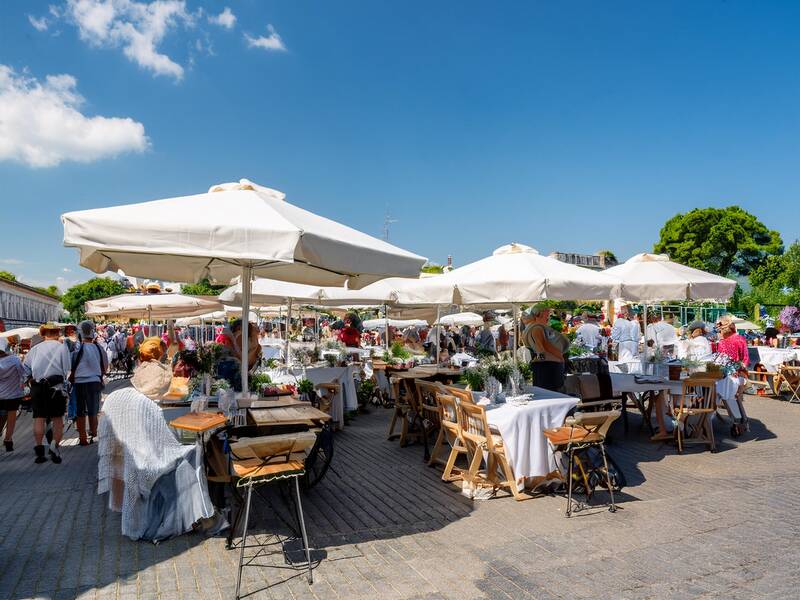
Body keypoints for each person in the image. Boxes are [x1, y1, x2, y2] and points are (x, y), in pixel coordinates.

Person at [23, 323, 71, 464]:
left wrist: (30, 381)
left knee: (39, 418)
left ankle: (39, 452)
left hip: (38, 387)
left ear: (43, 334)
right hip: (55, 387)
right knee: (57, 419)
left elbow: (25, 369)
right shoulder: (62, 348)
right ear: (57, 333)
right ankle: (54, 448)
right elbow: (68, 370)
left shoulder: (35, 349)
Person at [72, 321, 108, 446]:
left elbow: (71, 365)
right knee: (93, 409)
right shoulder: (99, 348)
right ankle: (94, 432)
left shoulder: (77, 348)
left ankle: (82, 437)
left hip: (80, 382)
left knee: (80, 410)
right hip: (95, 381)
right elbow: (105, 365)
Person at [521, 305, 568, 392]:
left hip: (545, 368)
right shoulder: (537, 328)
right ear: (538, 315)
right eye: (547, 315)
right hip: (547, 369)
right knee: (552, 396)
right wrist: (559, 359)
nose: (548, 318)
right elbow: (542, 352)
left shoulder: (534, 328)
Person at [716, 314, 750, 434]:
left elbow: (719, 361)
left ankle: (738, 420)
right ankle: (740, 421)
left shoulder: (721, 342)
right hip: (738, 374)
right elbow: (745, 359)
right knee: (734, 395)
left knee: (723, 391)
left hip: (724, 375)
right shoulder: (740, 339)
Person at [0, 337, 25, 451]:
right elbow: (22, 374)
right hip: (13, 394)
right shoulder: (15, 360)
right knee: (11, 416)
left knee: (1, 415)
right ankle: (8, 440)